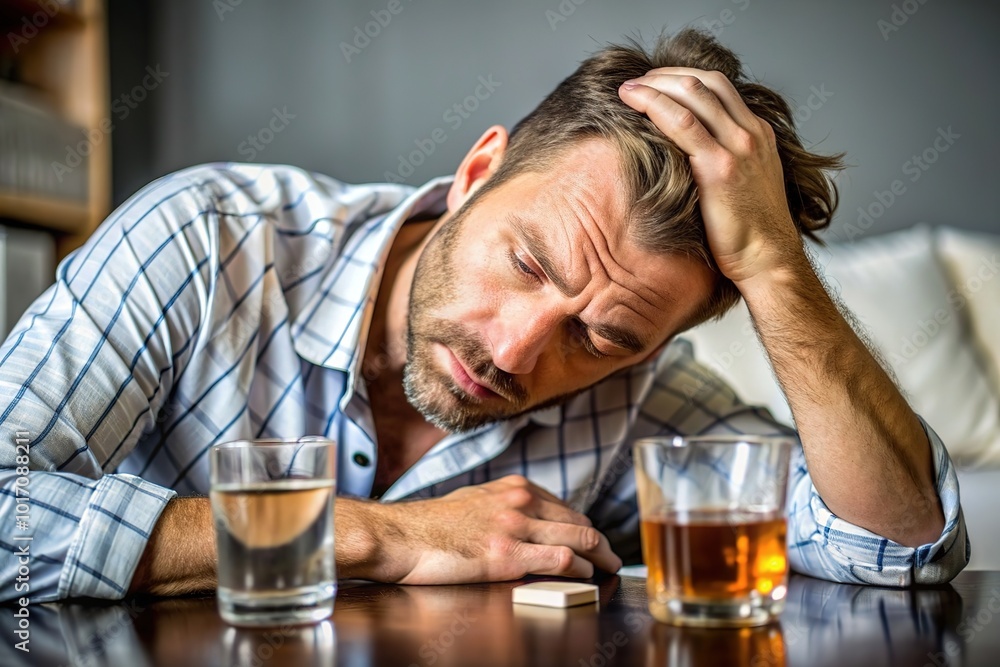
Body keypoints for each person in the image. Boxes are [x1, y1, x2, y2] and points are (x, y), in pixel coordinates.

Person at [0, 29, 967, 603]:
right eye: (529, 261)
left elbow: (900, 543)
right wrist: (375, 534)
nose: (513, 350)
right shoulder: (206, 240)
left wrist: (773, 268)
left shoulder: (637, 399)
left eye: (602, 336)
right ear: (474, 174)